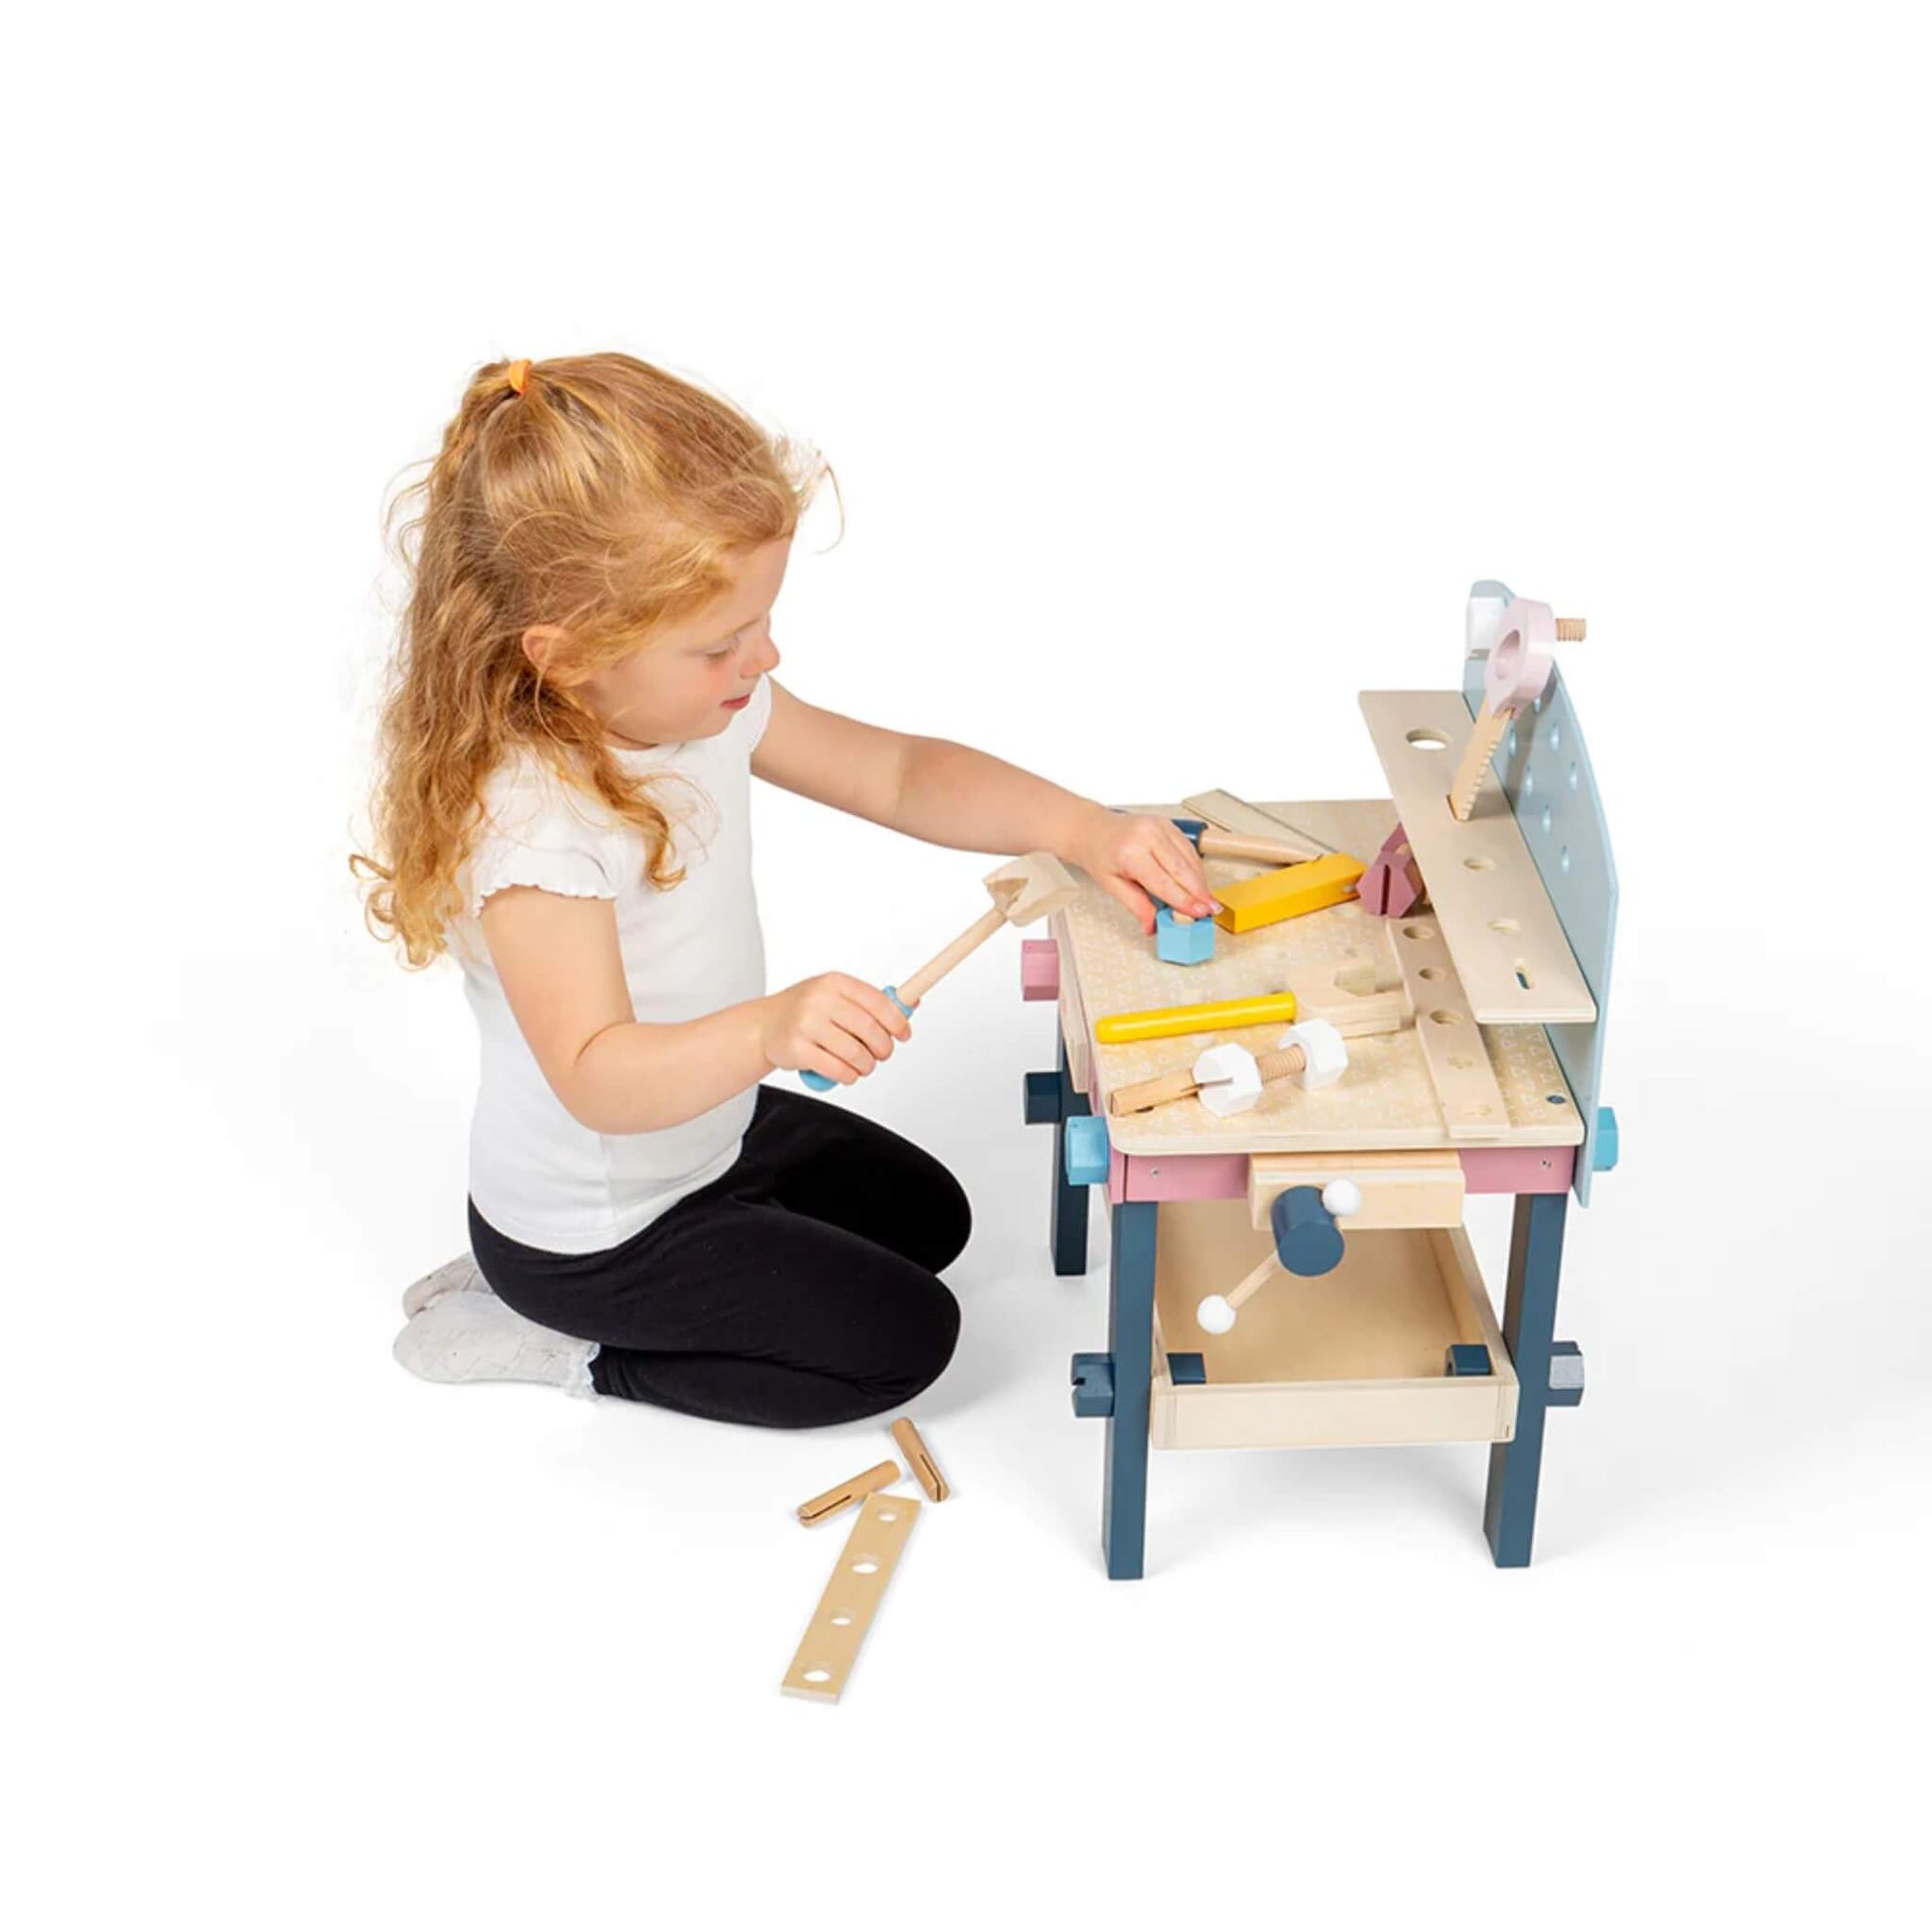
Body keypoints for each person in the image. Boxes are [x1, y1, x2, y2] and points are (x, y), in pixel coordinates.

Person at [356, 351, 1218, 1428]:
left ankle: (612, 1272)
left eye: (759, 621)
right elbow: (596, 1076)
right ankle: (560, 1339)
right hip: (599, 1232)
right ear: (569, 655)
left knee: (933, 1220)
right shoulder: (534, 826)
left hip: (704, 1130)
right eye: (721, 641)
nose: (763, 656)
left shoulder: (693, 706)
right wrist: (771, 1029)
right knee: (903, 1342)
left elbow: (898, 773)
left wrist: (1083, 827)